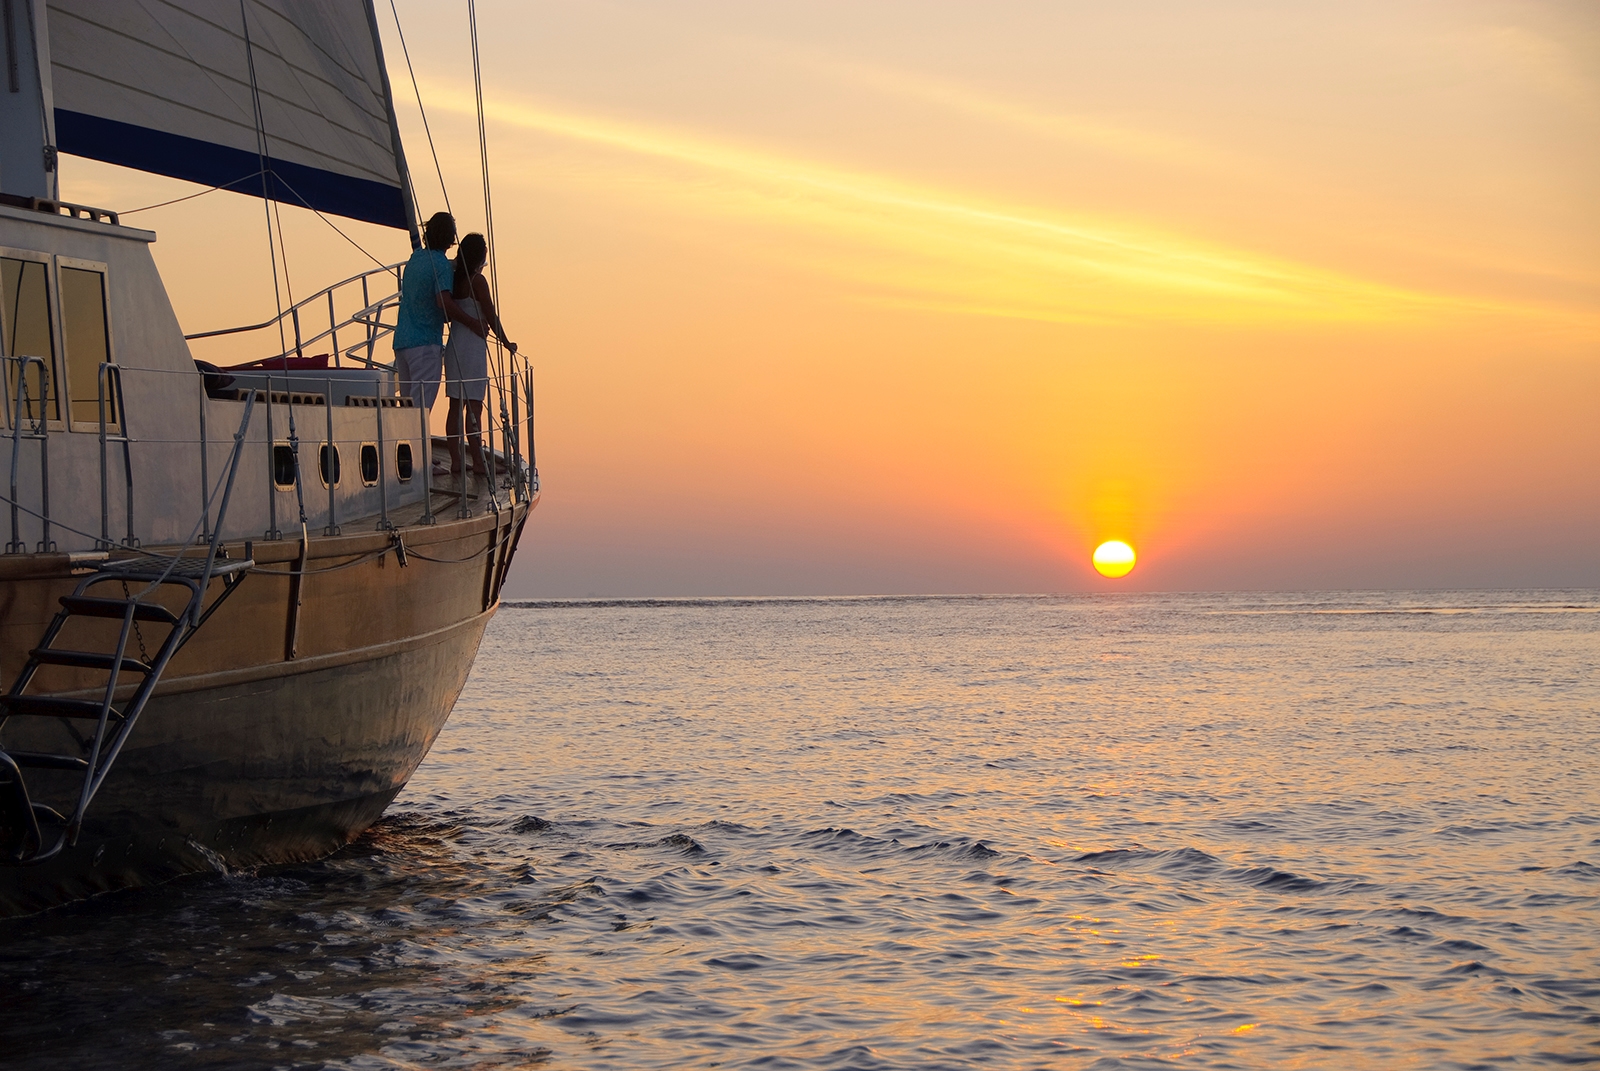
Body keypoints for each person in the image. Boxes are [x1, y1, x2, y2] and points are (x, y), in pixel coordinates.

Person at [392, 212, 484, 416]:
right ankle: (414, 447)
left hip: (402, 342)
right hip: (424, 345)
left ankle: (405, 447)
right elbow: (443, 301)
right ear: (451, 237)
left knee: (407, 410)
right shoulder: (441, 264)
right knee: (418, 413)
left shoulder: (416, 259)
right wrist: (472, 322)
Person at [442, 232, 515, 477]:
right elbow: (491, 315)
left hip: (455, 345)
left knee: (455, 405)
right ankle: (480, 465)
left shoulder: (455, 279)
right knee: (474, 408)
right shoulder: (478, 281)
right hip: (472, 348)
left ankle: (456, 460)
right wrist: (506, 341)